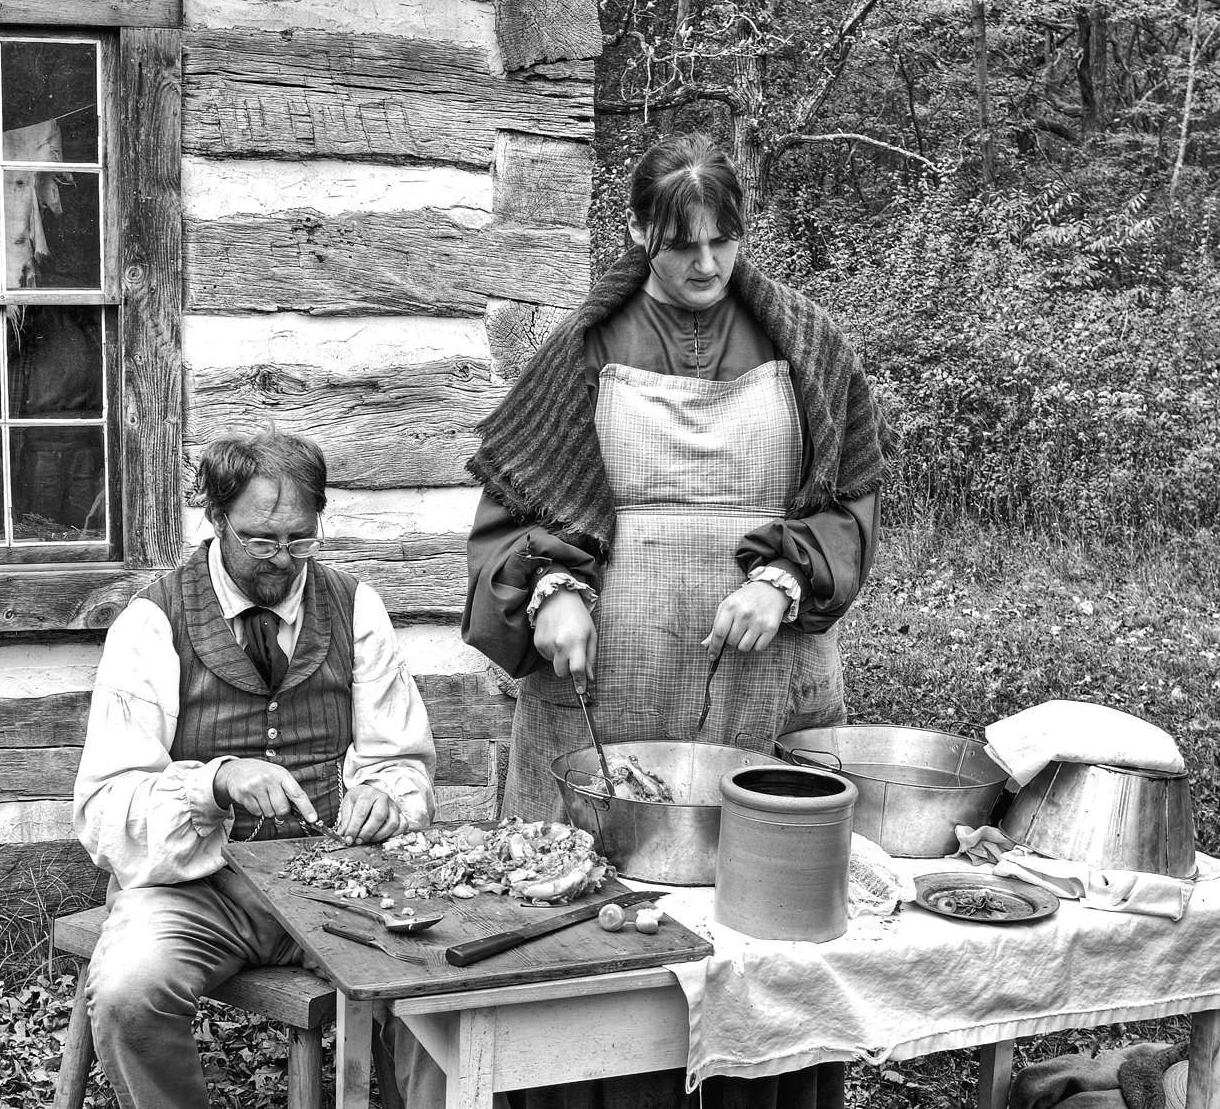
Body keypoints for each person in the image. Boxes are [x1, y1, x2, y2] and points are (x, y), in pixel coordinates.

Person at [462, 133, 894, 1109]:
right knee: (593, 940)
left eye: (722, 239)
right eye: (679, 244)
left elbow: (851, 505)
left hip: (762, 681)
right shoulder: (577, 352)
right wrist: (553, 590)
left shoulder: (808, 348)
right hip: (600, 698)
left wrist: (782, 578)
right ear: (635, 235)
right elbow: (509, 521)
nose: (704, 264)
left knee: (764, 939)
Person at [73, 429, 438, 1109]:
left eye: (300, 540)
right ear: (213, 519)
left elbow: (402, 762)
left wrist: (385, 797)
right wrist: (213, 781)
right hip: (200, 891)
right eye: (260, 541)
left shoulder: (354, 605)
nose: (282, 561)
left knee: (435, 984)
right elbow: (104, 810)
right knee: (129, 992)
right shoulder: (151, 621)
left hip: (341, 883)